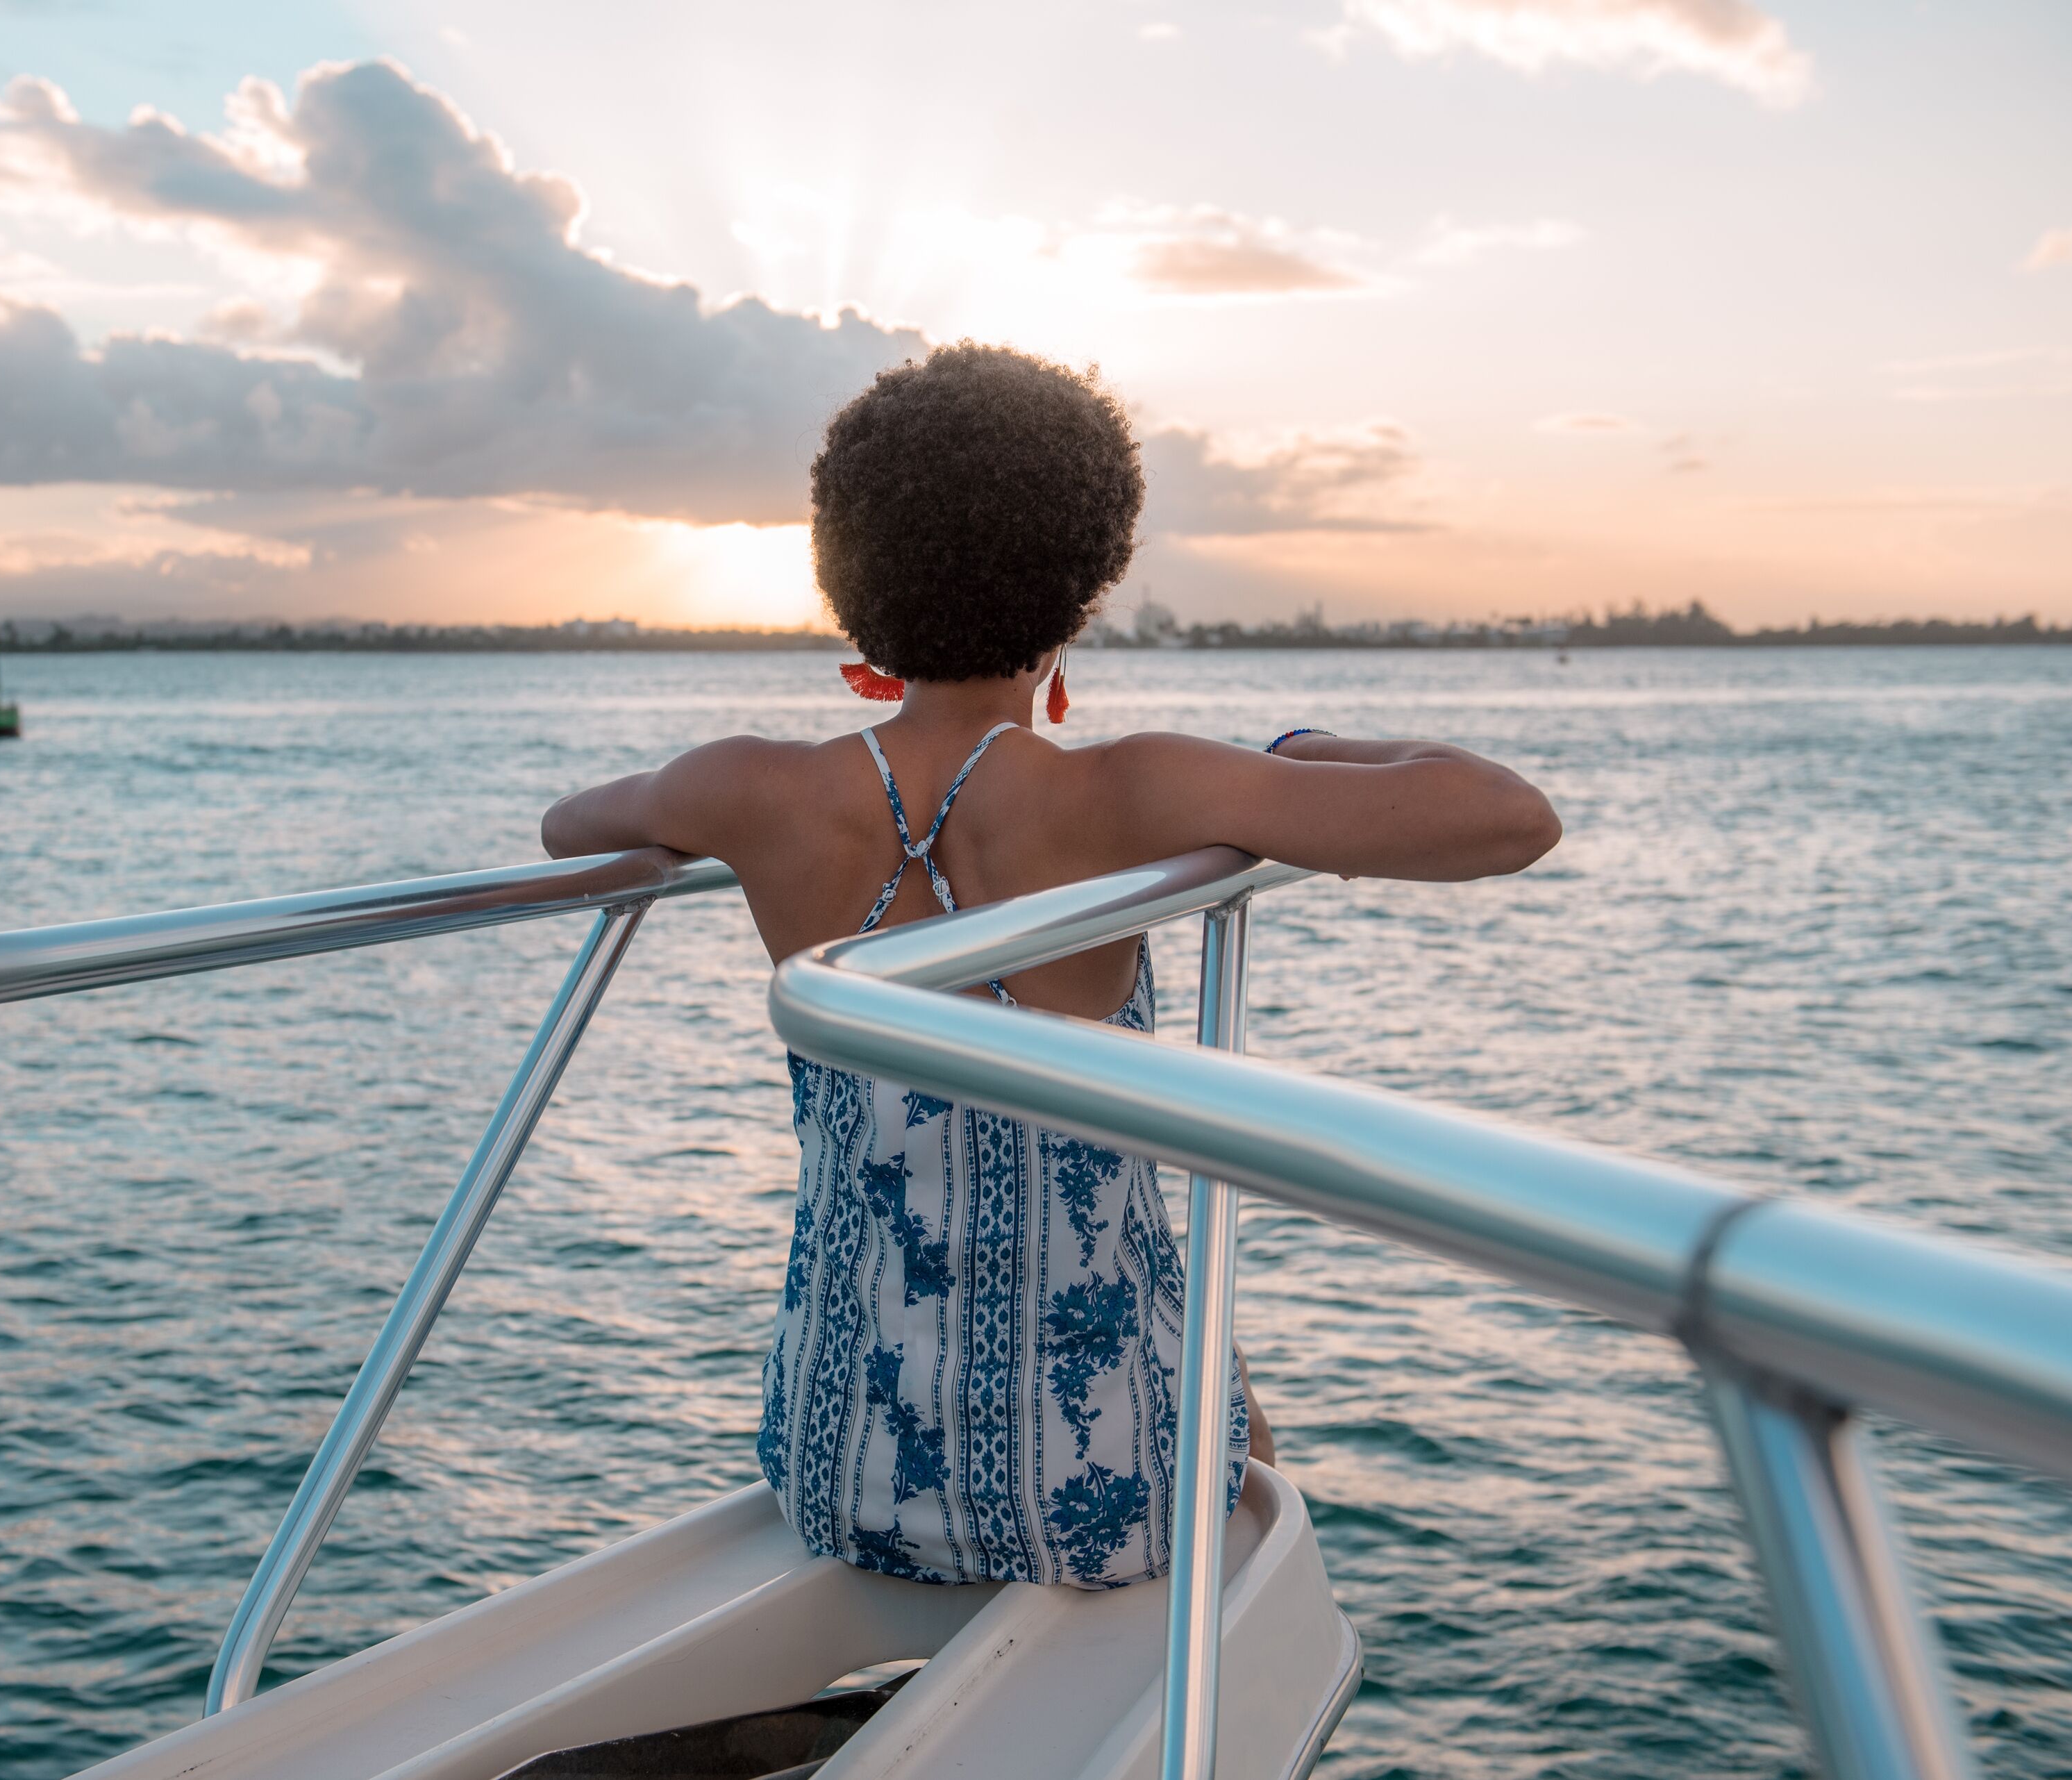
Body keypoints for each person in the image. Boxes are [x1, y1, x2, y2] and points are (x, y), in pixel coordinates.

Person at [542, 342, 1560, 1590]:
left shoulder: (754, 790)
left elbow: (571, 826)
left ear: (851, 578)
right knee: (1222, 1405)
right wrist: (1301, 749)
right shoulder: (1122, 793)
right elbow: (1508, 816)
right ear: (1082, 580)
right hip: (1098, 1498)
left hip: (835, 1472)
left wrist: (716, 812)